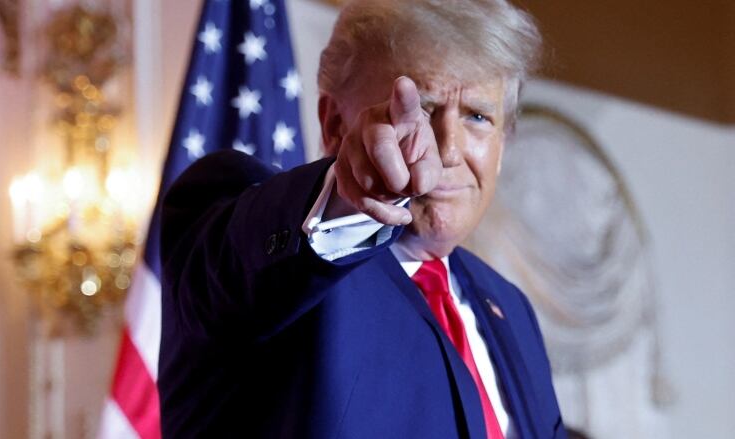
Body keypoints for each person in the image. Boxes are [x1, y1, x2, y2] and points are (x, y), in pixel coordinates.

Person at [158, 0, 565, 438]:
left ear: (502, 147)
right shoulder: (275, 251)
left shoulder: (510, 310)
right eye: (422, 109)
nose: (449, 151)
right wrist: (350, 199)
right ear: (334, 123)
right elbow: (234, 270)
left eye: (478, 117)